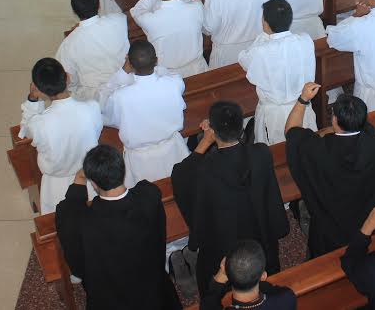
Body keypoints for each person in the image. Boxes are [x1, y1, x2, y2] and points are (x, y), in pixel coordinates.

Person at [171, 101, 289, 296]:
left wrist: (206, 141)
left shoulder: (204, 169)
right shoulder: (260, 153)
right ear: (241, 128)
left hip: (222, 250)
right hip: (259, 240)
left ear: (213, 131)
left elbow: (181, 174)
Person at [56, 145, 181, 310]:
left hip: (109, 301)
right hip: (155, 296)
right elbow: (145, 188)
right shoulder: (149, 197)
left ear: (93, 183)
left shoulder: (83, 222)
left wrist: (79, 179)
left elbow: (67, 211)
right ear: (122, 170)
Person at [285, 85, 375, 257]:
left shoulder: (320, 150)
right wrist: (332, 131)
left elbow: (291, 131)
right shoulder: (372, 140)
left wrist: (303, 99)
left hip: (329, 228)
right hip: (365, 218)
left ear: (334, 120)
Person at [20, 58, 103, 214]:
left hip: (55, 187)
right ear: (67, 77)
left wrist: (32, 99)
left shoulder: (40, 124)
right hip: (89, 179)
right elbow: (96, 133)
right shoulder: (92, 108)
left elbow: (26, 131)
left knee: (62, 225)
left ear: (39, 89)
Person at [103, 41, 189, 185]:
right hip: (174, 151)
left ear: (129, 63)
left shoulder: (120, 96)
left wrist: (123, 72)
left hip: (141, 162)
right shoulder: (174, 83)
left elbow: (105, 110)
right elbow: (168, 73)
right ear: (156, 60)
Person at [238, 0, 317, 144]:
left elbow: (244, 59)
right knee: (306, 150)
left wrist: (263, 36)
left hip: (275, 115)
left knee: (277, 156)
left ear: (265, 23)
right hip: (302, 107)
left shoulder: (261, 51)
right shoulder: (305, 40)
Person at [55, 0, 130, 103]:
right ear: (99, 5)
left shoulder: (68, 44)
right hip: (126, 88)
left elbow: (67, 81)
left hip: (96, 102)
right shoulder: (119, 20)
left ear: (74, 11)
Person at [131, 0, 208, 77]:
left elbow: (136, 11)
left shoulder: (150, 19)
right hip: (197, 72)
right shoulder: (197, 8)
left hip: (167, 77)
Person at [201, 240, 296, 310]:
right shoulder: (287, 298)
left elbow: (208, 303)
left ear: (228, 275)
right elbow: (272, 290)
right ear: (263, 276)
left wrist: (220, 278)